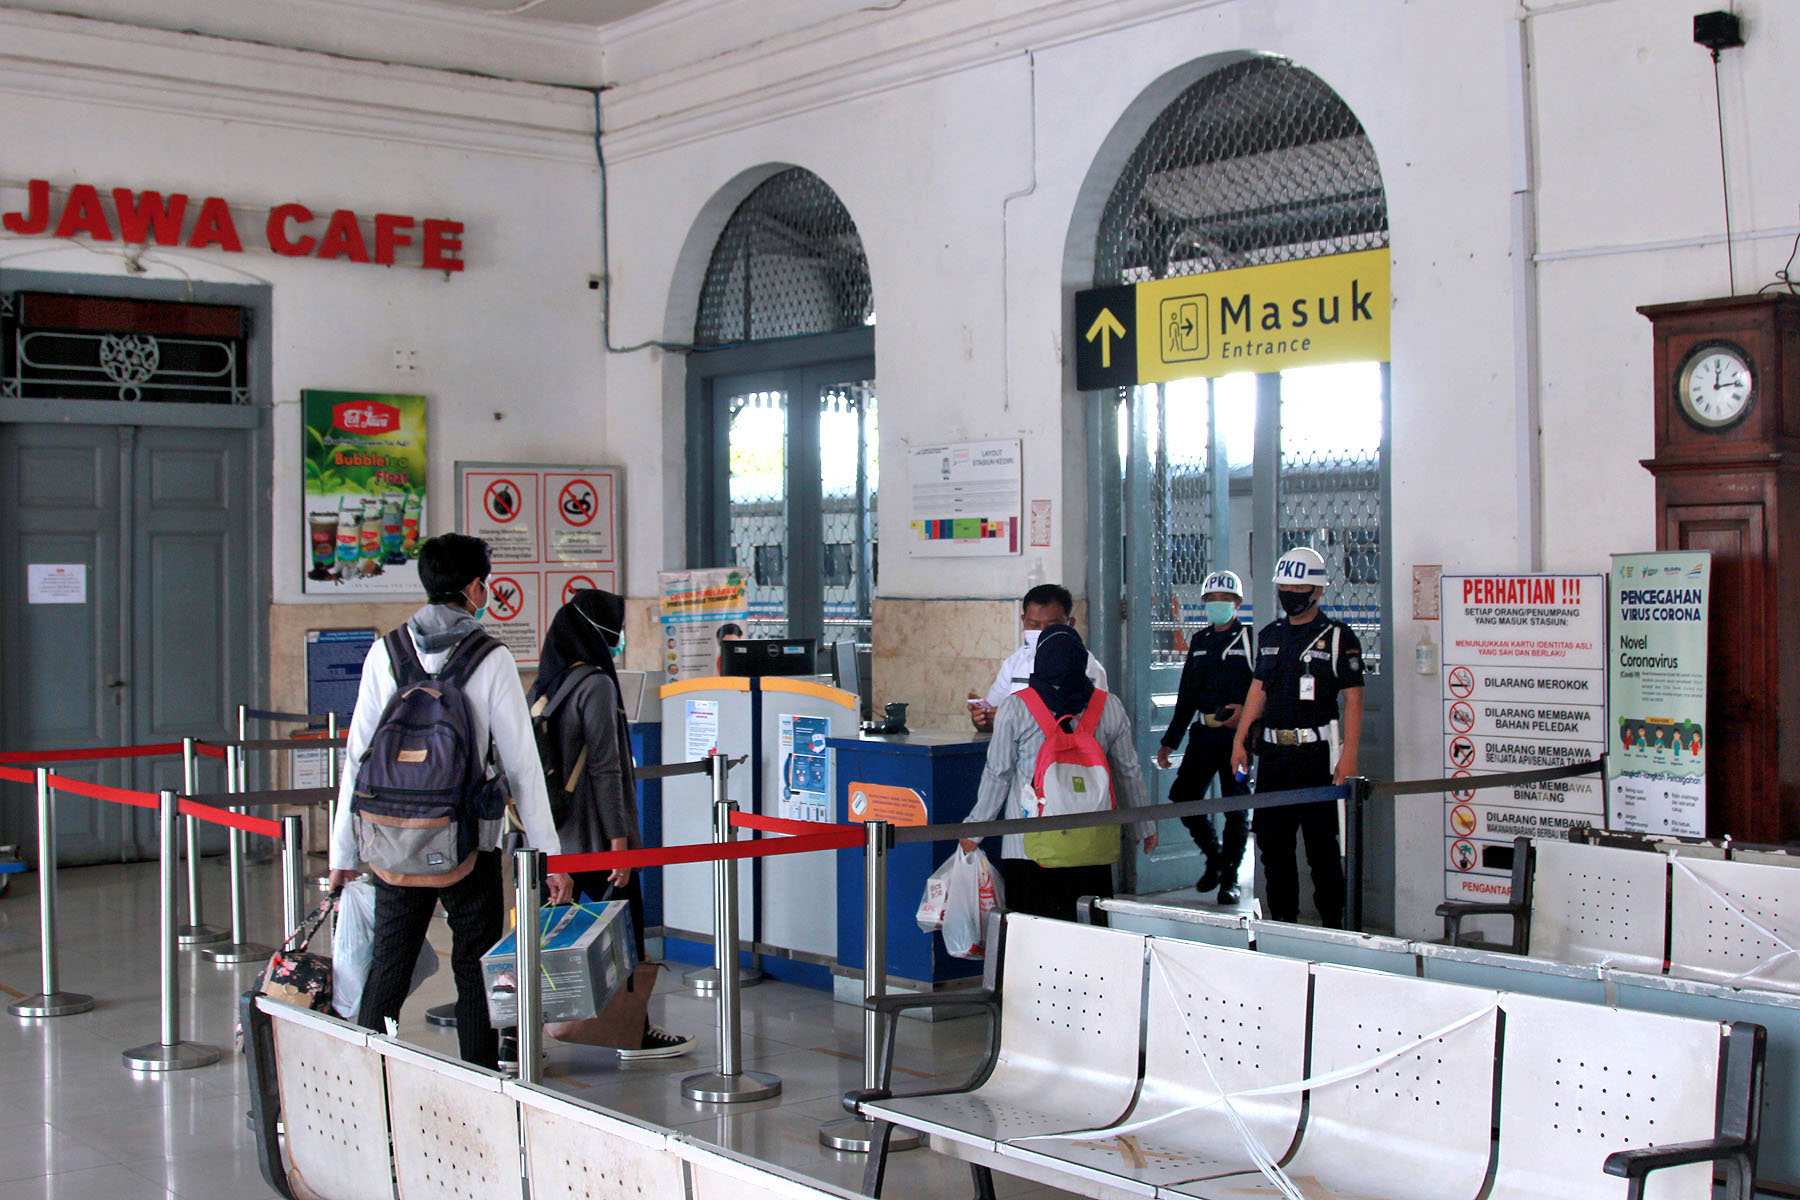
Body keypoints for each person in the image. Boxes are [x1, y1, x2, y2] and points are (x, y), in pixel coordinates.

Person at [328, 533, 573, 1071]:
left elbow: (358, 758)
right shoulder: (491, 658)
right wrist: (548, 853)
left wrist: (342, 856)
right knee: (473, 966)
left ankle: (365, 1079)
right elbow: (521, 765)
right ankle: (480, 1080)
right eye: (484, 580)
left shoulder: (386, 651)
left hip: (392, 843)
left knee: (387, 966)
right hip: (467, 843)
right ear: (471, 587)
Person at [531, 589, 696, 1059]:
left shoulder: (547, 685)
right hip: (598, 842)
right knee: (626, 940)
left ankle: (516, 1038)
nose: (620, 638)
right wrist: (620, 844)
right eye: (616, 629)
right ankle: (633, 1031)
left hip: (553, 841)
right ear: (597, 631)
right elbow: (606, 768)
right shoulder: (596, 686)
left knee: (544, 940)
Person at [961, 624, 1155, 922]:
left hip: (1029, 850)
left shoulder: (1016, 708)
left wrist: (975, 829)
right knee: (1088, 934)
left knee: (1034, 936)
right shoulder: (1109, 706)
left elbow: (997, 774)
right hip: (1093, 846)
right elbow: (1128, 772)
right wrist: (1145, 826)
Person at [1230, 547, 1364, 929]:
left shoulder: (1338, 637)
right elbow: (1258, 691)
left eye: (1298, 586)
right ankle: (1281, 925)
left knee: (1322, 851)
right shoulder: (1270, 635)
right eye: (1284, 585)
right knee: (1274, 848)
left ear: (1317, 591)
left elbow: (1353, 699)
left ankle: (1333, 928)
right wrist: (1239, 741)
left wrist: (1349, 755)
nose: (1289, 592)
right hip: (1273, 756)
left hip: (1317, 756)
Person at [1156, 570, 1253, 904]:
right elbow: (1187, 695)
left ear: (1237, 603)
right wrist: (1170, 740)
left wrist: (1247, 721)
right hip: (1203, 734)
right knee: (1183, 795)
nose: (1217, 605)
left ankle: (1230, 878)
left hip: (1236, 738)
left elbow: (1261, 691)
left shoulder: (1249, 639)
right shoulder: (1200, 641)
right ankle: (1214, 856)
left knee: (1236, 806)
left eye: (1224, 600)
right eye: (1211, 600)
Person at [967, 583, 1107, 733]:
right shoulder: (1014, 664)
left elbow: (1092, 726)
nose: (1042, 633)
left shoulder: (1088, 668)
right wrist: (983, 720)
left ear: (1070, 624)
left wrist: (1010, 720)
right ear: (1023, 622)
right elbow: (992, 719)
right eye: (1034, 625)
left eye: (1051, 626)